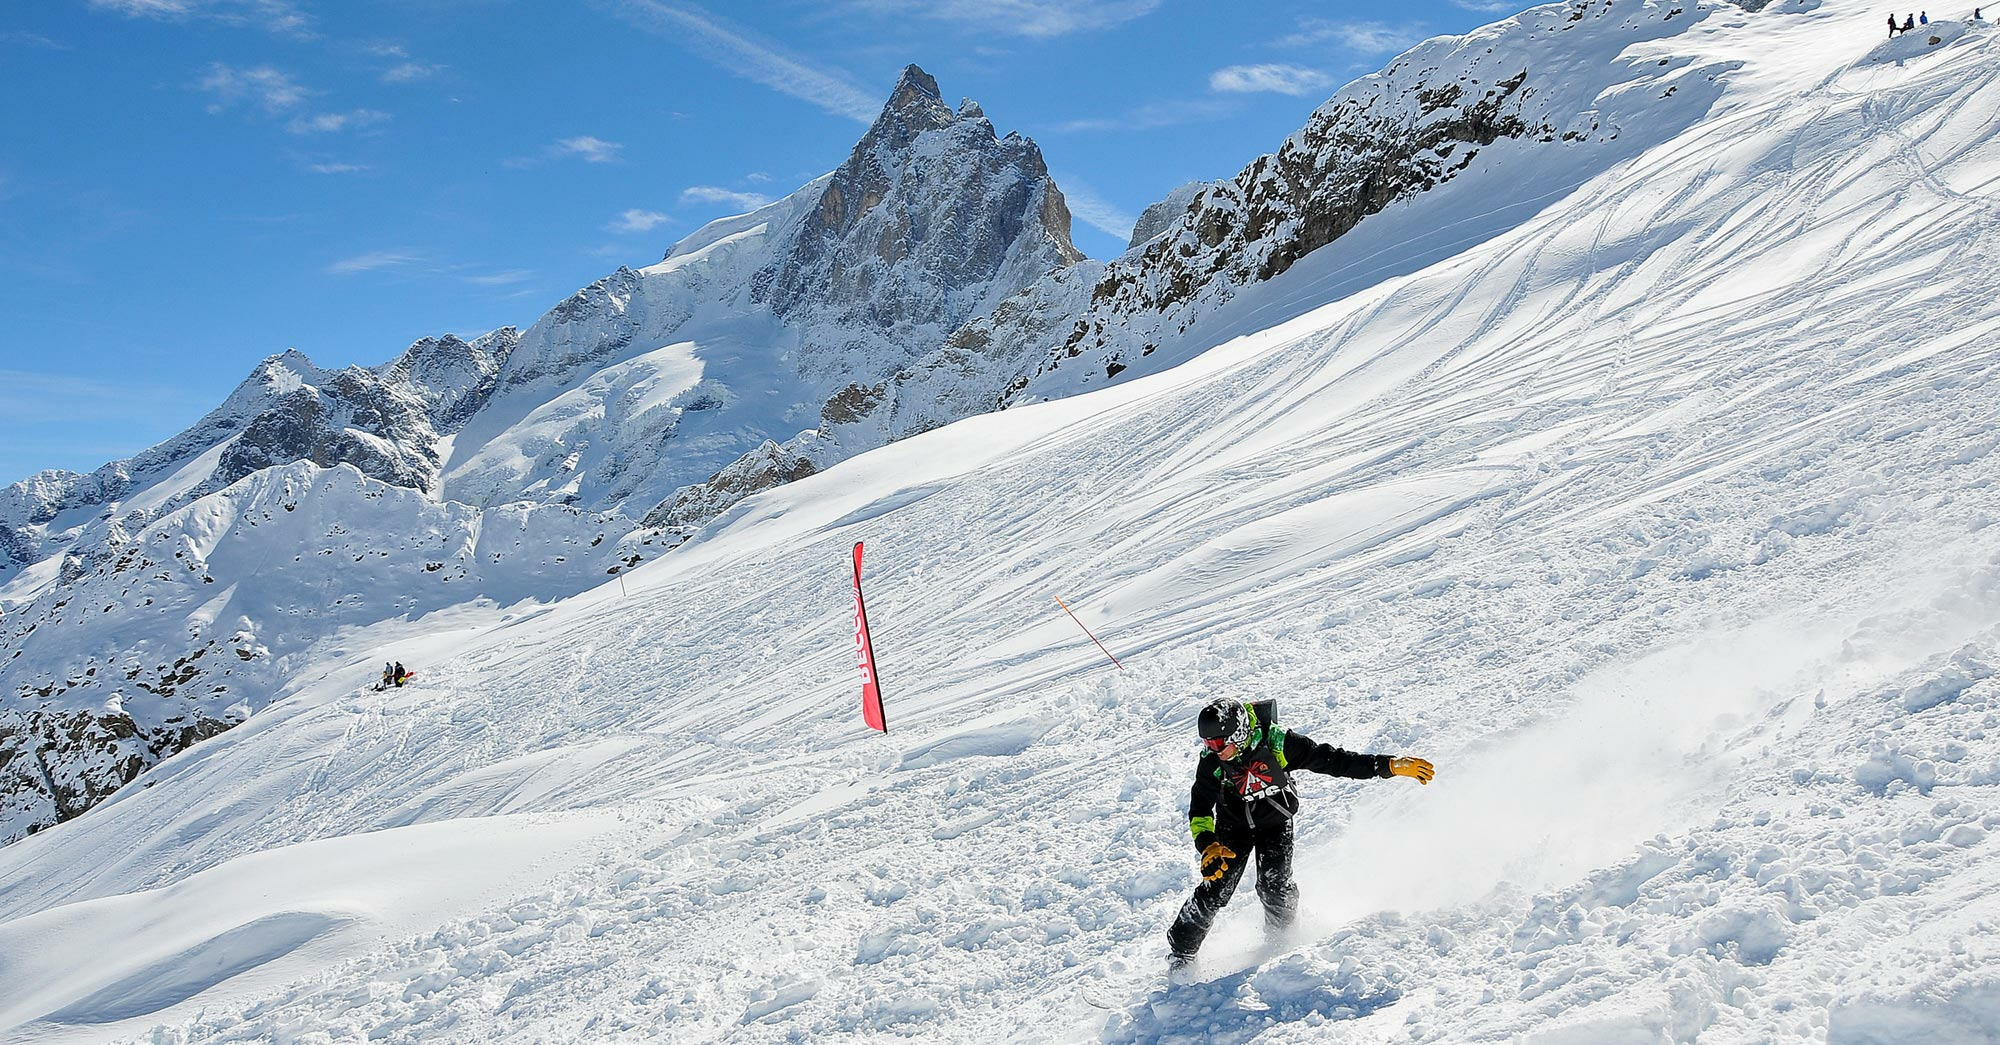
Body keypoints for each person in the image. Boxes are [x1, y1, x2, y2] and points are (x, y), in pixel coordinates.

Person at [1166, 698, 1435, 971]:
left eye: (1218, 744)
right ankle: (1181, 952)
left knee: (1275, 887)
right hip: (1233, 827)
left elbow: (1333, 760)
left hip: (1274, 821)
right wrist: (1208, 844)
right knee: (1216, 887)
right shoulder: (1212, 762)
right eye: (1207, 744)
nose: (1213, 750)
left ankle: (1280, 938)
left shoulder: (1278, 743)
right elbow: (1199, 807)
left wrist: (1386, 766)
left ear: (1238, 734)